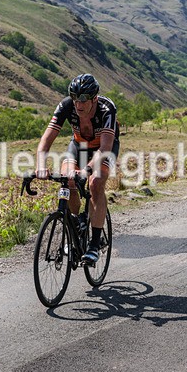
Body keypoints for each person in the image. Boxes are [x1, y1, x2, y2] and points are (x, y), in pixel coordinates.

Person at [35, 74, 120, 266]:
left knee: (96, 182)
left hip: (104, 147)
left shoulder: (107, 108)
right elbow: (46, 139)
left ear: (94, 99)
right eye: (74, 97)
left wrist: (88, 169)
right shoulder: (66, 106)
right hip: (79, 146)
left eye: (83, 99)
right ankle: (76, 222)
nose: (78, 103)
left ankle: (95, 244)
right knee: (68, 179)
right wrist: (40, 166)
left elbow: (105, 148)